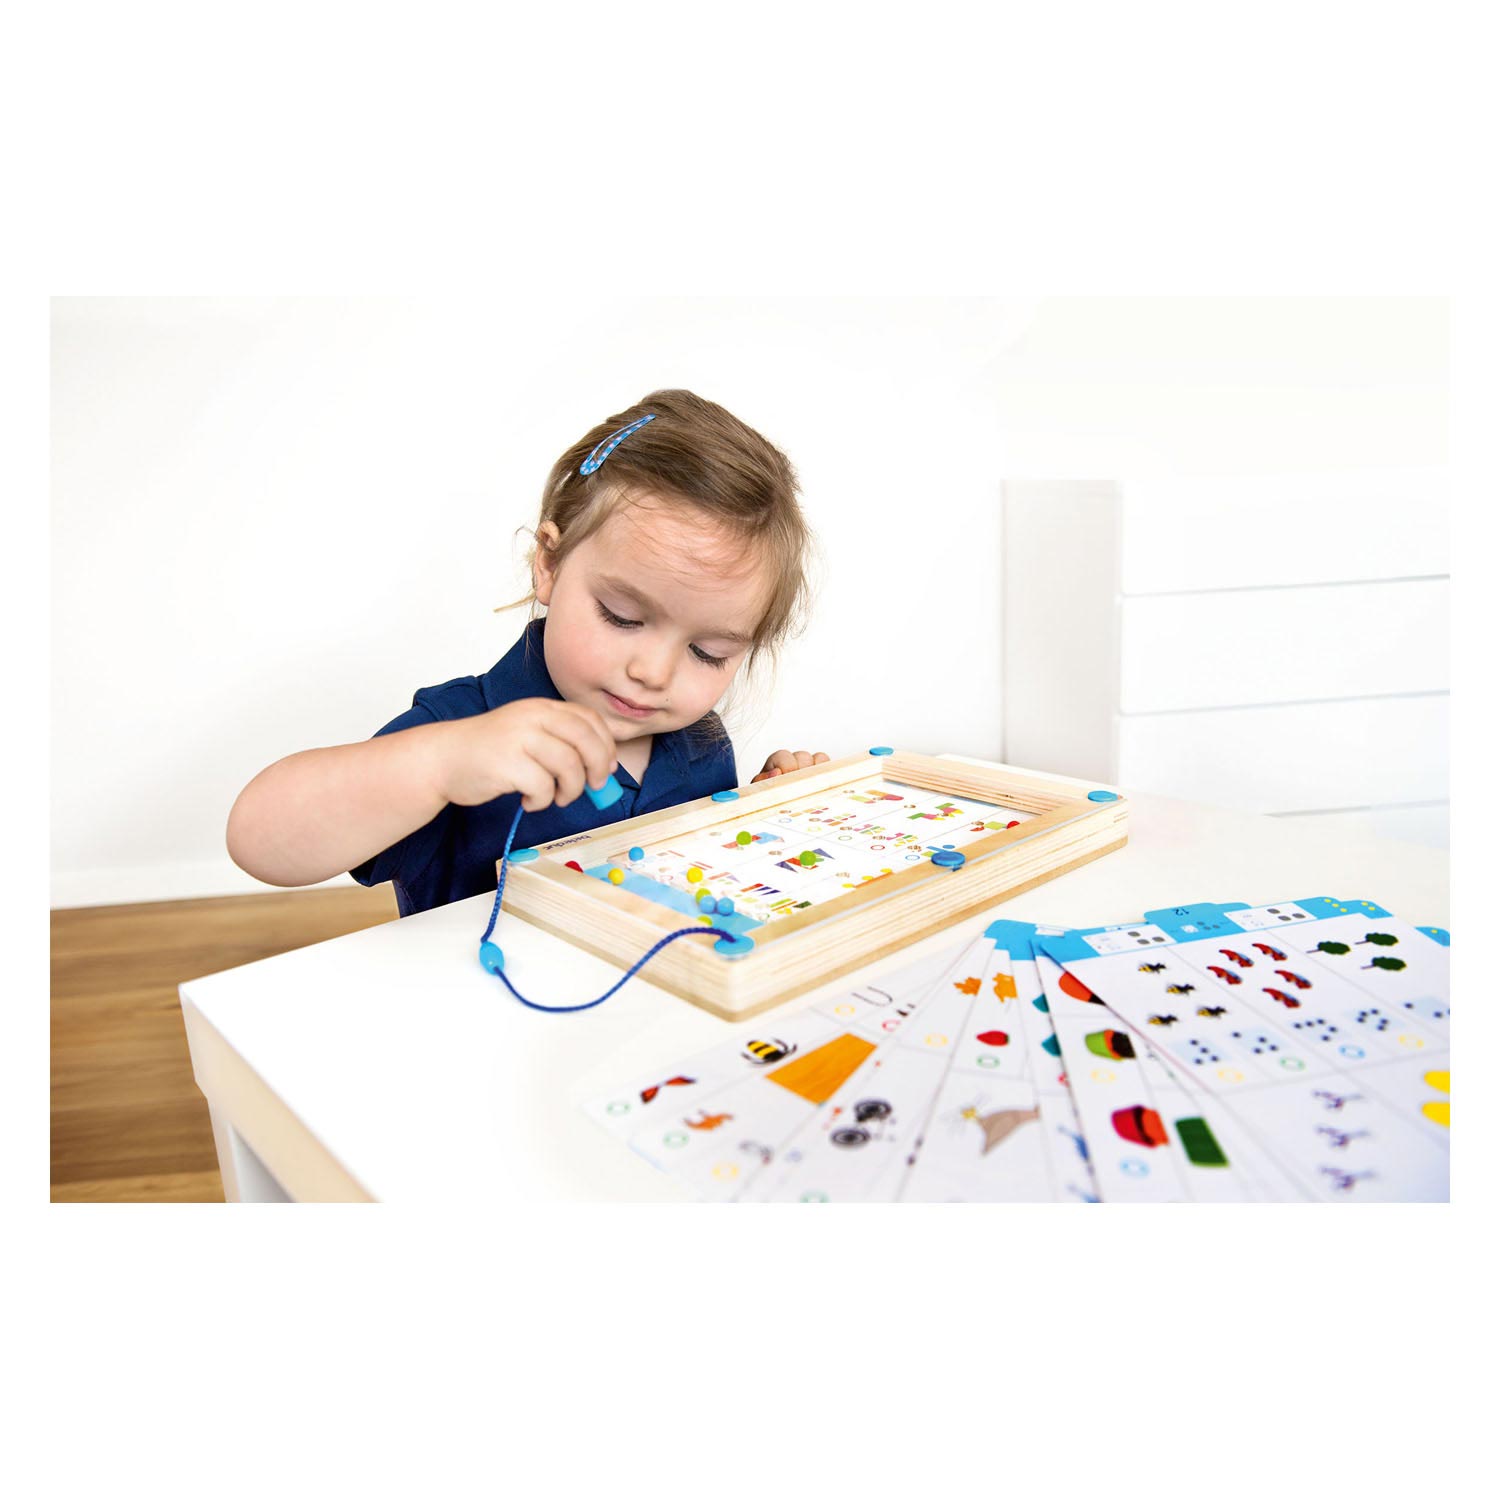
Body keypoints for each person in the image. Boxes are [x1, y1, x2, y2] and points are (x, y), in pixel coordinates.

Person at [226, 389, 829, 917]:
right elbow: (259, 841)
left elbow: (698, 891)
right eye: (622, 617)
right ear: (549, 563)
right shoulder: (463, 729)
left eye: (707, 652)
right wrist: (437, 765)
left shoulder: (702, 745)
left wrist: (765, 814)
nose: (653, 672)